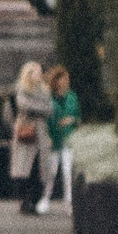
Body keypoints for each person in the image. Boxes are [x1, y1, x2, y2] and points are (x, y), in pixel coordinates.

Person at [6, 58, 52, 212]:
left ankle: (34, 200)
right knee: (24, 168)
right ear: (29, 74)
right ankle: (24, 201)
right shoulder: (22, 88)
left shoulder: (45, 90)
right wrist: (40, 108)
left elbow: (50, 109)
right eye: (36, 72)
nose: (40, 75)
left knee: (39, 169)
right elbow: (23, 105)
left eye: (40, 72)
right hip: (26, 132)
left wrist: (37, 108)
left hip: (41, 134)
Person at [42, 60, 80, 207]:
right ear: (56, 80)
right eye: (63, 79)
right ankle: (45, 197)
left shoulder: (72, 96)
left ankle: (69, 200)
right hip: (53, 139)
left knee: (67, 171)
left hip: (68, 138)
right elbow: (46, 119)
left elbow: (78, 116)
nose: (65, 81)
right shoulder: (49, 98)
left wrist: (73, 120)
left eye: (67, 79)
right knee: (51, 172)